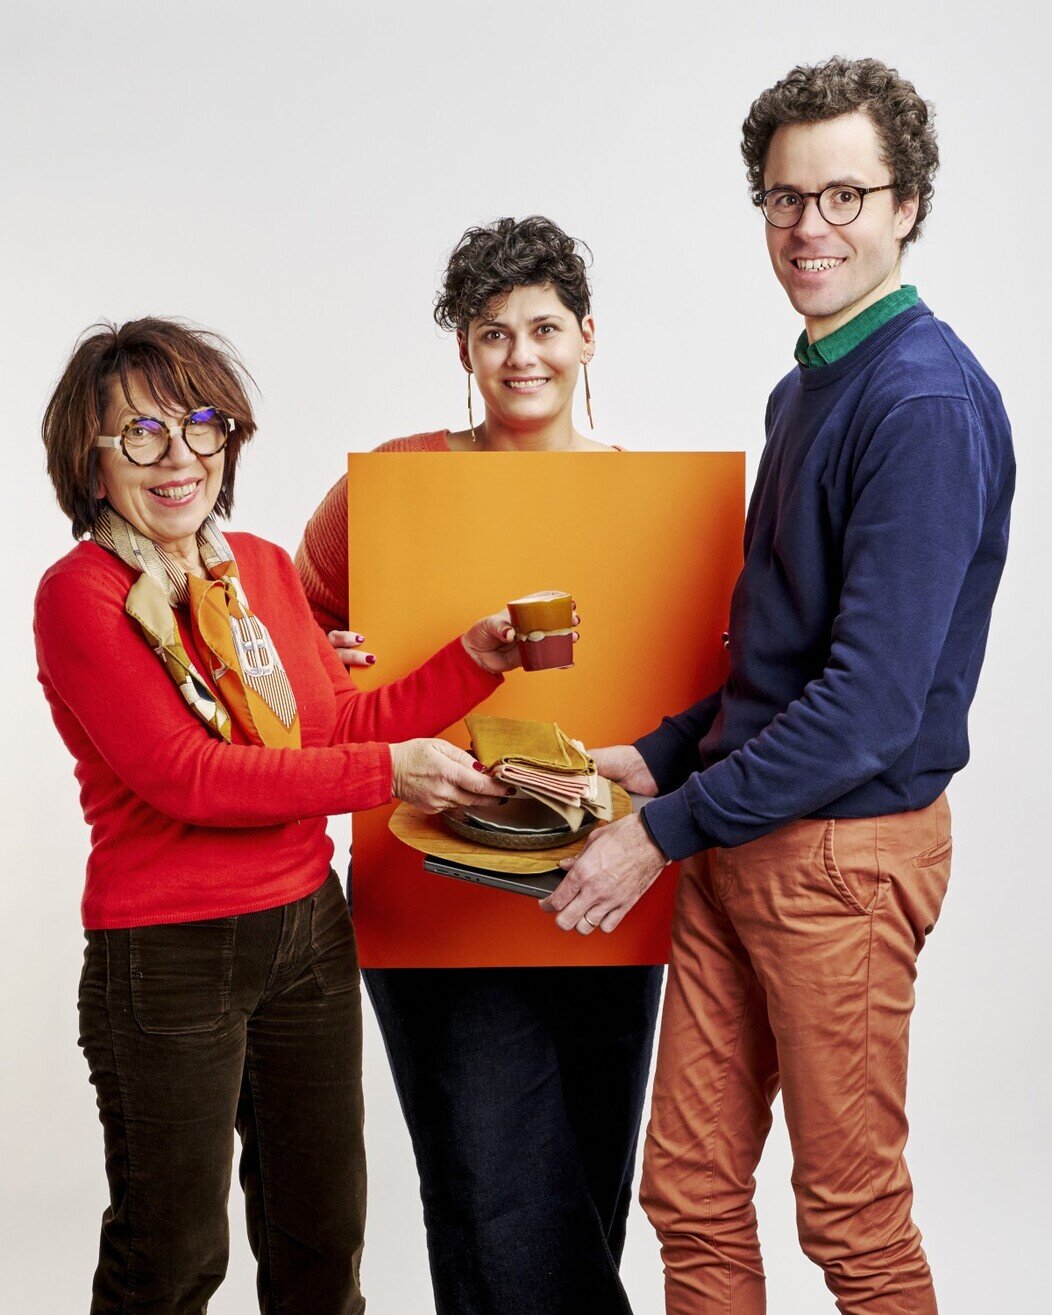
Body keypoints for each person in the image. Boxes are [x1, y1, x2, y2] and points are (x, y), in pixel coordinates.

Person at [542, 58, 1015, 1314]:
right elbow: (785, 656)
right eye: (784, 197)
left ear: (907, 205)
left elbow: (866, 709)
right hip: (739, 831)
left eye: (843, 195)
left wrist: (658, 828)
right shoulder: (808, 383)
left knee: (850, 1217)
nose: (809, 226)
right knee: (690, 1192)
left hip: (838, 859)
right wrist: (659, 754)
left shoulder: (919, 402)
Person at [34, 317, 533, 1315]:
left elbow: (331, 727)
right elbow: (190, 776)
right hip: (168, 952)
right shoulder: (81, 595)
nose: (180, 457)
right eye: (142, 434)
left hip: (307, 932)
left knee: (322, 1240)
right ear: (91, 462)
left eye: (201, 426)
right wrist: (390, 774)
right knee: (170, 1256)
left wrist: (472, 662)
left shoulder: (257, 570)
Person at [297, 216, 660, 1315]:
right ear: (463, 348)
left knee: (583, 1194)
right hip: (432, 876)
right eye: (492, 332)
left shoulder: (646, 497)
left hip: (604, 880)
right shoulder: (395, 481)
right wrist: (321, 652)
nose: (520, 355)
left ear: (588, 336)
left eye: (543, 327)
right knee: (493, 1195)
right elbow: (288, 636)